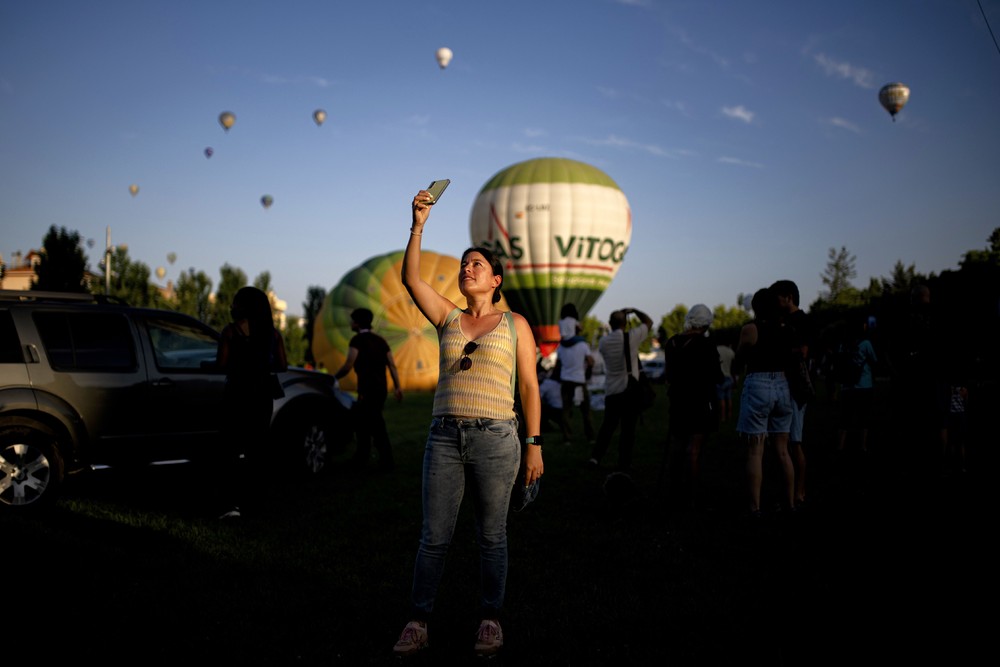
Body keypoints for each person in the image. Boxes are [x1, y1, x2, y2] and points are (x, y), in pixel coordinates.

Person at [393, 187, 542, 658]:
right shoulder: (448, 317)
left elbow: (530, 388)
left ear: (496, 279)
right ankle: (418, 621)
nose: (466, 268)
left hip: (497, 438)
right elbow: (411, 278)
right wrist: (419, 223)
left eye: (476, 263)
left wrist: (534, 444)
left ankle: (490, 620)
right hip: (444, 437)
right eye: (463, 264)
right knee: (434, 536)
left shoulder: (515, 324)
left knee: (492, 535)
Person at [216, 286, 287, 519]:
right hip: (262, 394)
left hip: (237, 393)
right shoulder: (273, 334)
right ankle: (257, 503)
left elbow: (221, 364)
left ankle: (232, 504)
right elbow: (282, 365)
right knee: (258, 449)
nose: (231, 306)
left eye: (235, 302)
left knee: (231, 449)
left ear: (242, 307)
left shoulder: (230, 331)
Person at [735, 288, 795, 517]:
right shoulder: (787, 330)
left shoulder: (751, 329)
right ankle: (790, 503)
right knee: (782, 451)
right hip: (783, 384)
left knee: (755, 451)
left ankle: (755, 507)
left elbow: (740, 357)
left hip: (759, 383)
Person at [662, 304, 723, 509]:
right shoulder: (706, 345)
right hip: (700, 401)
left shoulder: (672, 343)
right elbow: (717, 376)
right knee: (694, 450)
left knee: (677, 446)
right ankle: (692, 494)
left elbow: (669, 375)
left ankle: (674, 489)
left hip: (678, 401)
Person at [333, 307, 403, 471]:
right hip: (381, 390)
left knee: (373, 424)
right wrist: (398, 386)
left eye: (352, 320)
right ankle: (365, 457)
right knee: (365, 422)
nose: (350, 323)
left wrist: (334, 377)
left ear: (357, 323)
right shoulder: (381, 341)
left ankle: (384, 460)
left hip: (367, 390)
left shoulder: (357, 341)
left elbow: (349, 364)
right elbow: (392, 365)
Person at [587, 307, 653, 471]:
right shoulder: (631, 338)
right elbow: (648, 322)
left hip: (612, 390)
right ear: (625, 323)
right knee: (628, 429)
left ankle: (595, 458)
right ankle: (624, 462)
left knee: (607, 427)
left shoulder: (603, 342)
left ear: (610, 324)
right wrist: (635, 311)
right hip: (630, 390)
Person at [771, 279, 813, 508]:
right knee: (782, 443)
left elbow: (803, 352)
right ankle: (788, 488)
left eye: (778, 297)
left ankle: (800, 491)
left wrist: (781, 350)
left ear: (788, 297)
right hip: (781, 385)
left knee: (795, 442)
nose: (775, 302)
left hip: (795, 387)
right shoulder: (781, 320)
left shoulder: (802, 321)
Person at [835, 316, 879, 457]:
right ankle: (863, 447)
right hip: (864, 386)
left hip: (847, 387)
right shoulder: (866, 343)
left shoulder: (844, 344)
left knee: (844, 419)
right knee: (864, 418)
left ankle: (840, 447)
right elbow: (874, 360)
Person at [556, 309, 596, 447]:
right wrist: (587, 372)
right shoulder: (582, 345)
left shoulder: (560, 347)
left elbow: (558, 364)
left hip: (566, 381)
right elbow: (591, 361)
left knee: (566, 411)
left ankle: (567, 438)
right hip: (579, 381)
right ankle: (590, 436)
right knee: (585, 411)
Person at [715, 334, 737, 422]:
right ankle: (730, 415)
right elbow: (733, 367)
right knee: (729, 397)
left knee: (721, 399)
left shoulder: (715, 350)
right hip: (729, 377)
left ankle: (723, 417)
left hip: (720, 377)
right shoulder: (730, 351)